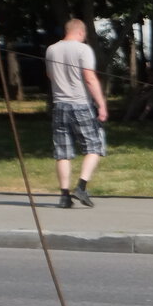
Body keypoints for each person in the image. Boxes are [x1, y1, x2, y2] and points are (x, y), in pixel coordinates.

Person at [45, 18, 107, 208]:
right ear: (80, 32)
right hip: (80, 104)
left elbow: (50, 75)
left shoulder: (51, 49)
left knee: (62, 151)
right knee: (95, 146)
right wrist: (101, 104)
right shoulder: (83, 49)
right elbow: (89, 78)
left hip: (59, 104)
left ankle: (64, 196)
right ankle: (81, 186)